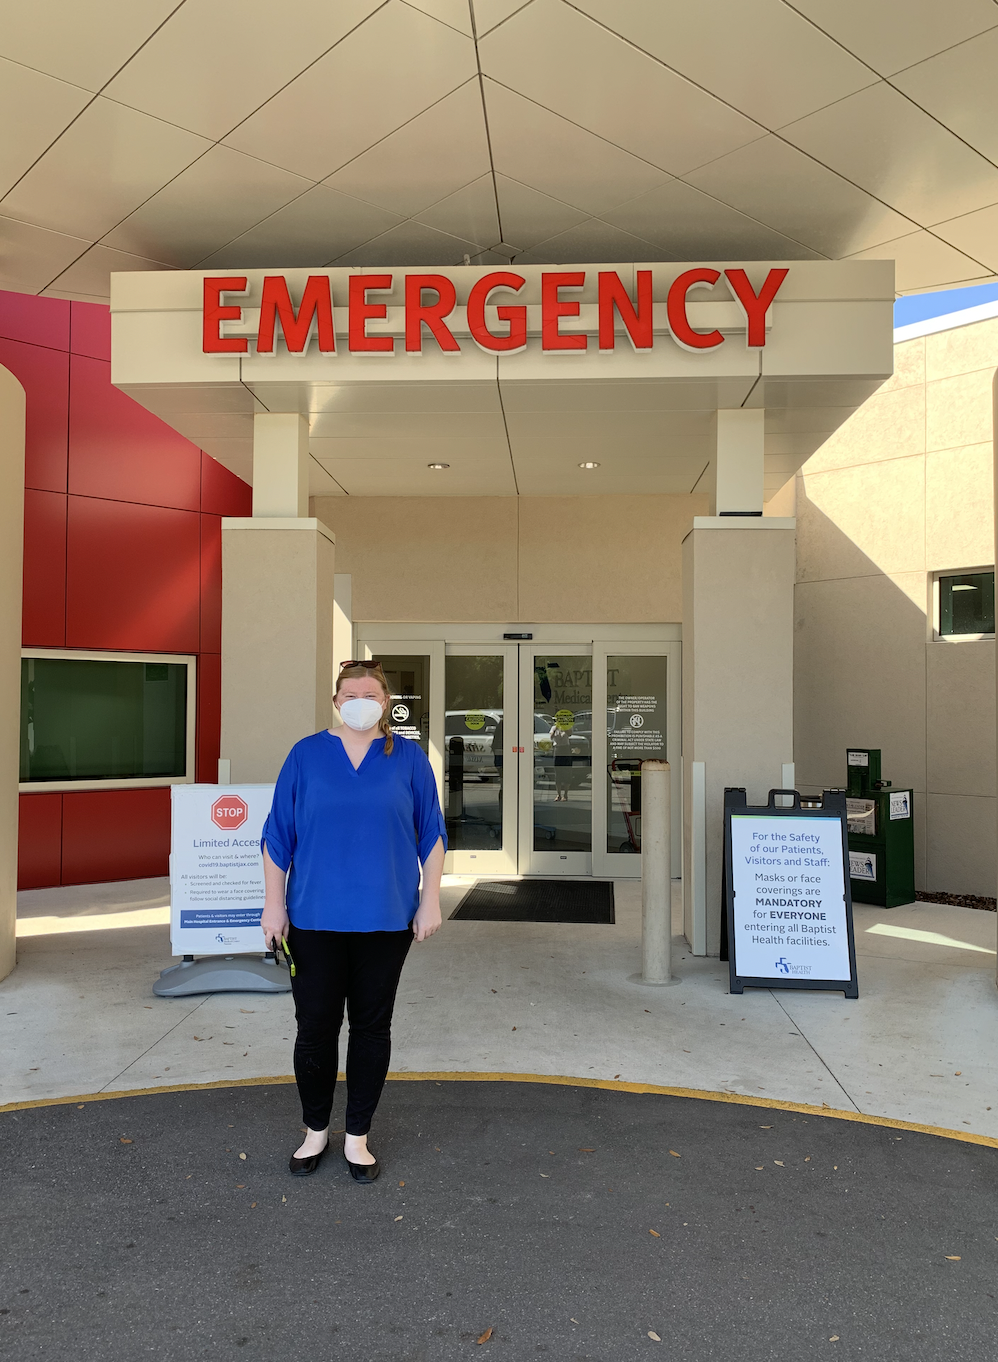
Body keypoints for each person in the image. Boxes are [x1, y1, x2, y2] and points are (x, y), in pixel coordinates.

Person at [260, 661, 446, 1183]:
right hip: (314, 919)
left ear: (386, 702)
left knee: (370, 1027)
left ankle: (358, 1136)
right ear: (336, 701)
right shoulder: (306, 755)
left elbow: (431, 833)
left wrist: (430, 900)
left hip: (386, 919)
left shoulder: (408, 759)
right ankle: (315, 1131)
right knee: (315, 1029)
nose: (360, 701)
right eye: (350, 693)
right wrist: (274, 904)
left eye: (370, 693)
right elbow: (278, 836)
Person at [549, 717, 574, 802]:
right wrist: (556, 728)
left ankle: (565, 794)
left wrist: (564, 728)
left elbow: (570, 733)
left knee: (567, 771)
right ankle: (558, 794)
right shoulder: (553, 728)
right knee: (558, 771)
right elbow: (551, 737)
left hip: (566, 749)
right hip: (558, 749)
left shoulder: (567, 727)